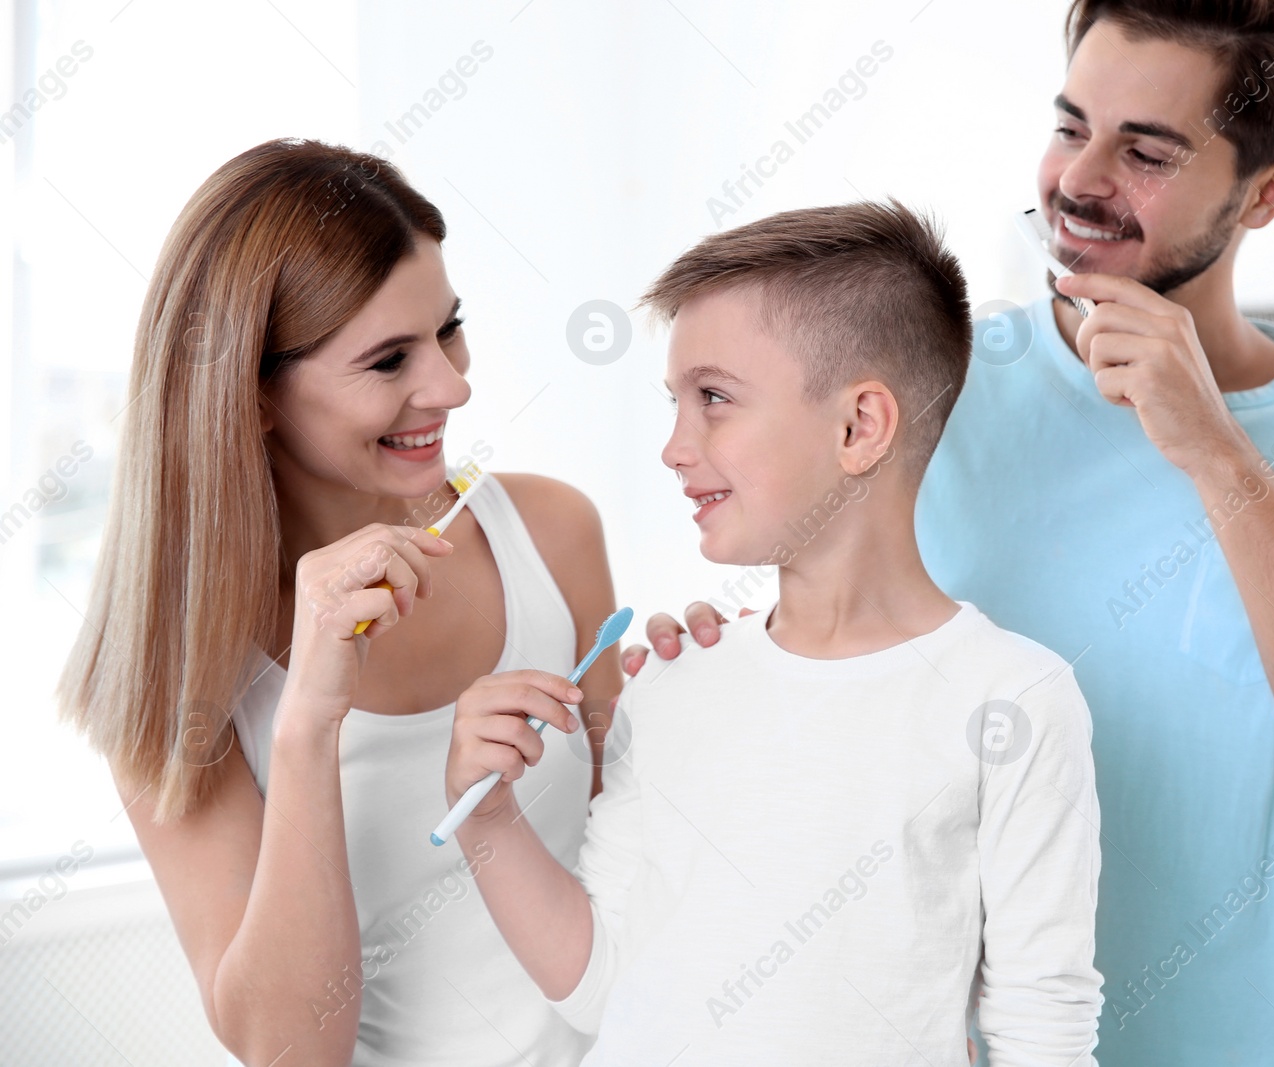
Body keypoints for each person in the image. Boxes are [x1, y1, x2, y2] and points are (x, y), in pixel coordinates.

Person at [624, 3, 1274, 1064]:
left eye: (1147, 150)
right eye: (1070, 123)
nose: (1079, 179)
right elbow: (817, 653)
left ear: (1265, 192)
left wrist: (1217, 456)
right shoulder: (926, 391)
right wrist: (722, 656)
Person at [445, 200, 1103, 1064]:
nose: (674, 447)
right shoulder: (674, 679)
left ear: (858, 426)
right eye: (676, 402)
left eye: (713, 398)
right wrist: (488, 817)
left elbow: (1041, 1032)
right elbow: (602, 987)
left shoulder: (1012, 700)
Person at [56, 138, 620, 1066]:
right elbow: (288, 1052)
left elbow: (638, 864)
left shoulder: (552, 534)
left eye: (449, 327)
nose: (452, 384)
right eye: (389, 359)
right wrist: (310, 717)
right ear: (257, 394)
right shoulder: (175, 674)